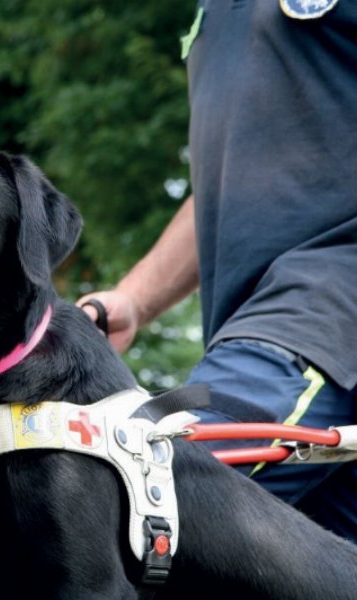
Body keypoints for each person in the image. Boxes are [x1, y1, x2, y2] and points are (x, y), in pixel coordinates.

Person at [77, 0, 357, 542]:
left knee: (138, 500)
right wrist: (134, 299)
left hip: (321, 311)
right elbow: (226, 183)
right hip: (257, 325)